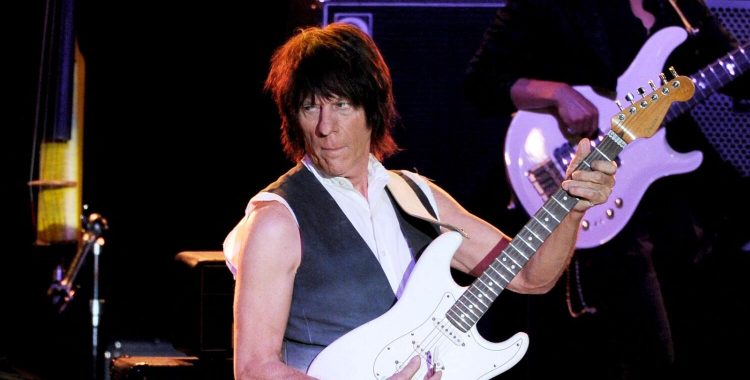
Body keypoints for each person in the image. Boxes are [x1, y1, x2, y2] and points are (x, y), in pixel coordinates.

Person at [223, 22, 617, 379]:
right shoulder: (277, 219)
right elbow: (254, 369)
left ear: (372, 108)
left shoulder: (415, 195)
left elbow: (531, 276)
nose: (326, 127)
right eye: (311, 108)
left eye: (341, 105)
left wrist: (572, 208)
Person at [464, 0, 750, 379]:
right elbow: (481, 82)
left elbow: (733, 68)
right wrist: (557, 93)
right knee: (645, 347)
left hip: (669, 188)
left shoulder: (679, 5)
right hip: (589, 184)